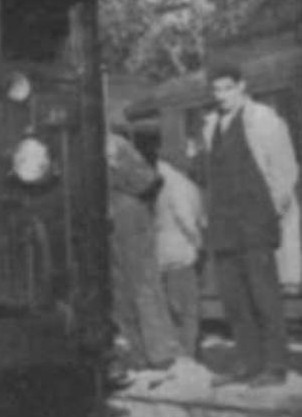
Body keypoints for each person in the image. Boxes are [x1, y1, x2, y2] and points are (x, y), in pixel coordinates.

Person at [194, 63, 298, 388]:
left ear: (242, 87)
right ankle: (249, 362)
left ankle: (276, 366)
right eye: (217, 90)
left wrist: (272, 212)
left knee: (264, 296)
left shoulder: (263, 120)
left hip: (255, 223)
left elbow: (285, 168)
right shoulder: (212, 126)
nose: (221, 95)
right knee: (235, 299)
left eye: (227, 88)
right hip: (224, 227)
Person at [106, 131, 186, 370]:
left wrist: (115, 170)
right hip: (120, 217)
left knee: (138, 284)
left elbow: (149, 182)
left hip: (126, 216)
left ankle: (157, 352)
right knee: (124, 287)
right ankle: (143, 352)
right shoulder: (114, 143)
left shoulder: (114, 144)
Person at [154, 156, 206, 358]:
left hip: (167, 249)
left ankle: (180, 351)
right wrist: (198, 243)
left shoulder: (167, 182)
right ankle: (187, 353)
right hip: (181, 250)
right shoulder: (181, 184)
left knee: (174, 307)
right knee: (187, 309)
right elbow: (187, 219)